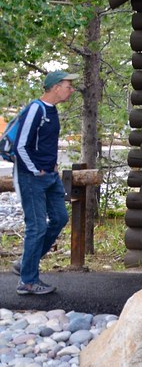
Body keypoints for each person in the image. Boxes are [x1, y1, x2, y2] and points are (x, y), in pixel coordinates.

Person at [12, 70, 77, 295]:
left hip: (49, 175)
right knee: (37, 226)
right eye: (69, 86)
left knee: (60, 218)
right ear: (56, 87)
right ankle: (27, 282)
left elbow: (45, 144)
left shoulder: (53, 111)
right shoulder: (35, 110)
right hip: (32, 177)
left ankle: (26, 264)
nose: (72, 90)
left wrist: (53, 167)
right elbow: (20, 146)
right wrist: (35, 170)